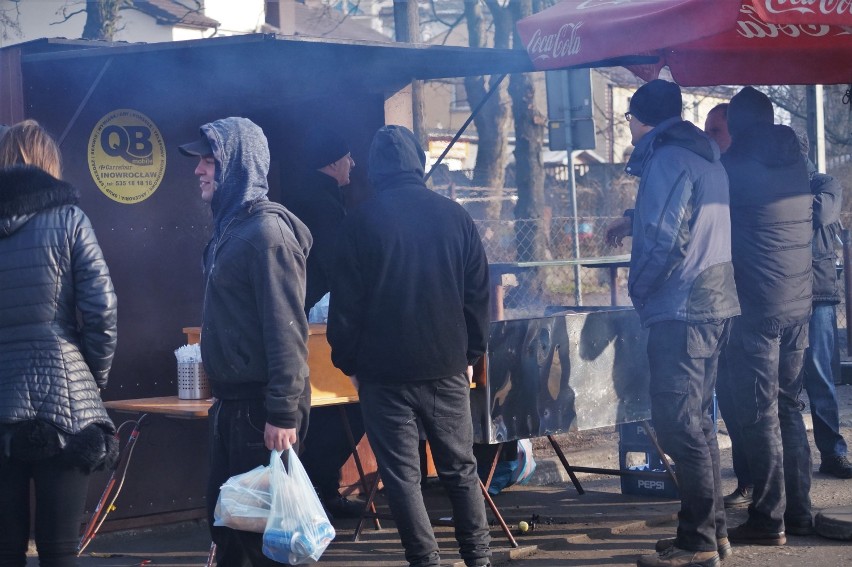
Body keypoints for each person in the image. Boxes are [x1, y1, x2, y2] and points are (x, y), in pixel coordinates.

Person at [327, 125, 492, 567]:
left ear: (375, 168)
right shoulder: (455, 216)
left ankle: (425, 561)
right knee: (460, 470)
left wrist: (349, 362)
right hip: (446, 367)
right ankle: (479, 558)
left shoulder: (358, 222)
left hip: (383, 375)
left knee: (402, 478)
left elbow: (345, 307)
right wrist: (470, 354)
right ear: (419, 162)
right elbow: (478, 295)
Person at [606, 79, 740, 567]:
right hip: (714, 302)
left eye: (629, 120)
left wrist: (640, 289)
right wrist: (632, 218)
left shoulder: (666, 160)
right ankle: (708, 533)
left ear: (641, 119)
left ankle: (700, 543)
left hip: (682, 308)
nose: (632, 130)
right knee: (698, 425)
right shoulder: (704, 157)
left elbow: (665, 240)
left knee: (679, 425)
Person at [179, 117, 313, 566]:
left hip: (261, 412)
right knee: (228, 527)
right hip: (231, 406)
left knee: (261, 542)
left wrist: (280, 411)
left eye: (209, 159)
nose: (199, 169)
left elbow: (287, 330)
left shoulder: (266, 235)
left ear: (237, 163)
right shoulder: (230, 231)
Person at [0, 119, 119, 566]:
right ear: (48, 165)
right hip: (64, 395)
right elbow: (102, 309)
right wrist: (92, 377)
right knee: (60, 548)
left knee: (3, 546)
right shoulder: (69, 219)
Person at [722, 87, 814, 545]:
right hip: (799, 303)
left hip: (757, 306)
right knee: (790, 407)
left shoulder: (734, 168)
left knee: (761, 414)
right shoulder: (795, 163)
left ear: (736, 126)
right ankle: (799, 512)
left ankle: (768, 519)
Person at [283, 127, 366, 519]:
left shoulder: (302, 195)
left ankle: (322, 488)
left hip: (299, 314)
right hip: (315, 319)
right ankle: (319, 489)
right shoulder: (323, 203)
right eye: (348, 156)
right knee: (347, 404)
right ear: (334, 162)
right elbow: (337, 266)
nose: (353, 163)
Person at [701, 102, 756, 509]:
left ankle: (757, 487)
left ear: (734, 133)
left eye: (715, 130)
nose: (709, 138)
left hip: (748, 304)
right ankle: (747, 482)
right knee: (731, 402)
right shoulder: (718, 171)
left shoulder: (739, 174)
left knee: (748, 402)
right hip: (724, 302)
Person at [797, 130, 852, 480]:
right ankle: (791, 457)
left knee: (819, 376)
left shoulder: (825, 183)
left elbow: (819, 214)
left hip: (817, 294)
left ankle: (832, 452)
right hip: (779, 291)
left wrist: (774, 201)